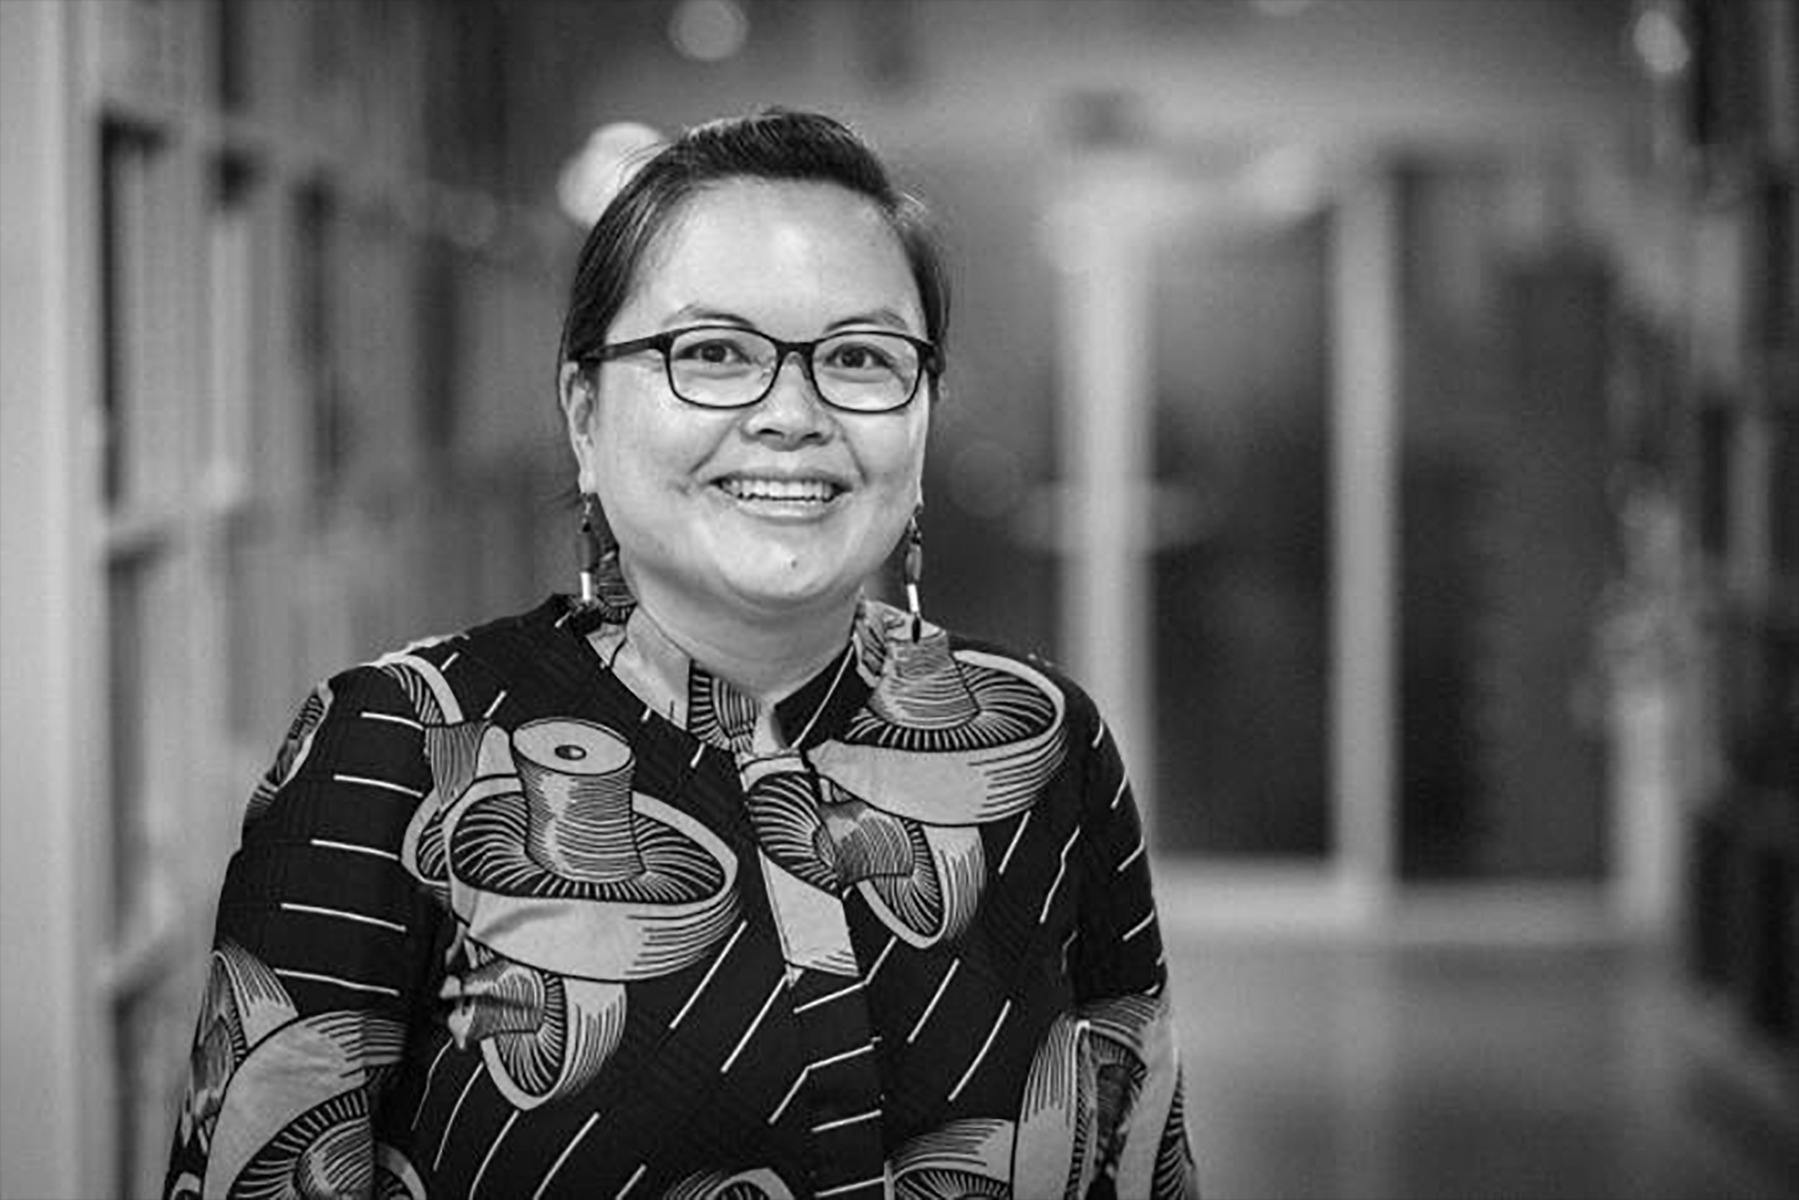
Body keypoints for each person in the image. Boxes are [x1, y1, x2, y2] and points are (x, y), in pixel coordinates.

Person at [165, 108, 1198, 1200]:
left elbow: (1139, 1164)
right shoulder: (396, 748)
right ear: (583, 413)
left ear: (924, 411)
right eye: (712, 353)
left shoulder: (1046, 744)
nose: (791, 414)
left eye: (858, 356)